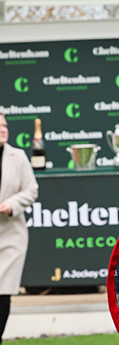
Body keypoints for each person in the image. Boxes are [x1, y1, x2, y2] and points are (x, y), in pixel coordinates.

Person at [0, 114, 39, 344]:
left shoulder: (19, 156)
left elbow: (31, 190)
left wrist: (11, 204)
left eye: (4, 125)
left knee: (2, 295)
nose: (3, 129)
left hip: (10, 237)